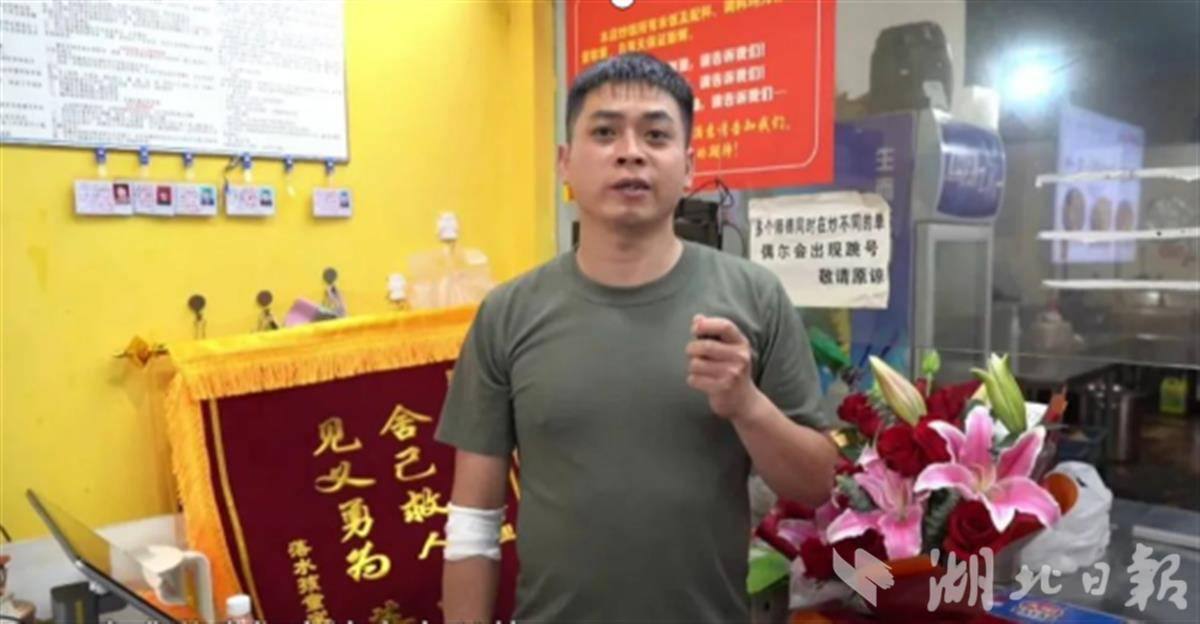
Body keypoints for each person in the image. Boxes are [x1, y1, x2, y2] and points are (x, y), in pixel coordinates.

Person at [436, 53, 838, 623]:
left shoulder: (754, 298)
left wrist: (747, 405)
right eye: (605, 133)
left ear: (688, 165)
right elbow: (474, 520)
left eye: (656, 134)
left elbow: (816, 484)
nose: (630, 152)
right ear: (565, 163)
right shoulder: (508, 313)